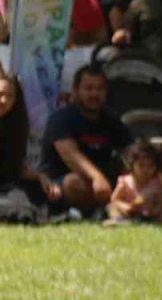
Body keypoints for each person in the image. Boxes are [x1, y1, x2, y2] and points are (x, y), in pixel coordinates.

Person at [39, 64, 134, 216]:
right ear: (76, 91)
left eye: (99, 89)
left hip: (101, 181)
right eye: (88, 88)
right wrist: (97, 178)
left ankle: (111, 208)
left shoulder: (110, 118)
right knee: (74, 182)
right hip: (60, 183)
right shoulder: (61, 118)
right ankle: (103, 210)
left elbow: (131, 149)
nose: (94, 94)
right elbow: (71, 155)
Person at [0, 75, 59, 220]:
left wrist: (40, 177)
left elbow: (16, 167)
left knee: (38, 190)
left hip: (7, 186)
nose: (4, 101)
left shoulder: (14, 127)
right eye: (0, 94)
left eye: (10, 96)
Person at [106, 140, 162, 226]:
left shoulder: (157, 182)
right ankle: (118, 220)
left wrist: (155, 210)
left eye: (150, 166)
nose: (146, 170)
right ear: (132, 165)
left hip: (154, 216)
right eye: (141, 166)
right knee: (111, 207)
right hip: (131, 213)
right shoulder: (125, 181)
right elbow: (114, 200)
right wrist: (128, 207)